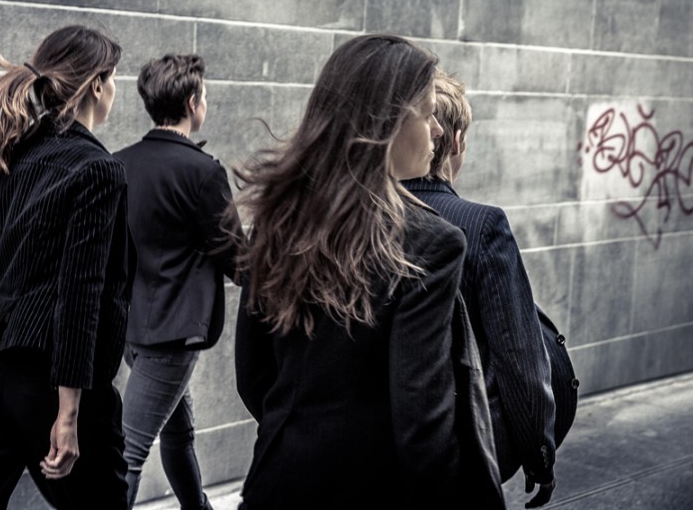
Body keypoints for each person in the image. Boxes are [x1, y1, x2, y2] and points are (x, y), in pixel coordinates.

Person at [232, 34, 505, 509]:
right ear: (389, 123)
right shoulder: (430, 242)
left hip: (277, 480)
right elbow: (423, 421)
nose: (437, 131)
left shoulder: (279, 217)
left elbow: (253, 376)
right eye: (427, 114)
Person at [0, 25, 135, 509]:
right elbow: (81, 295)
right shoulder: (98, 169)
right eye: (114, 78)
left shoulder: (1, 155)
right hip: (58, 385)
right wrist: (68, 414)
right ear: (97, 85)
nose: (114, 89)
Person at [401, 69, 568, 509]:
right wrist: (540, 454)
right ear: (455, 142)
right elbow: (520, 357)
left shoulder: (364, 217)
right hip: (464, 444)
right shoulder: (482, 225)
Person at [115, 54, 243, 510]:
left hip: (132, 331)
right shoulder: (203, 172)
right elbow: (238, 261)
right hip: (172, 337)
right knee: (128, 455)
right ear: (192, 103)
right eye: (203, 95)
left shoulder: (119, 163)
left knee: (178, 434)